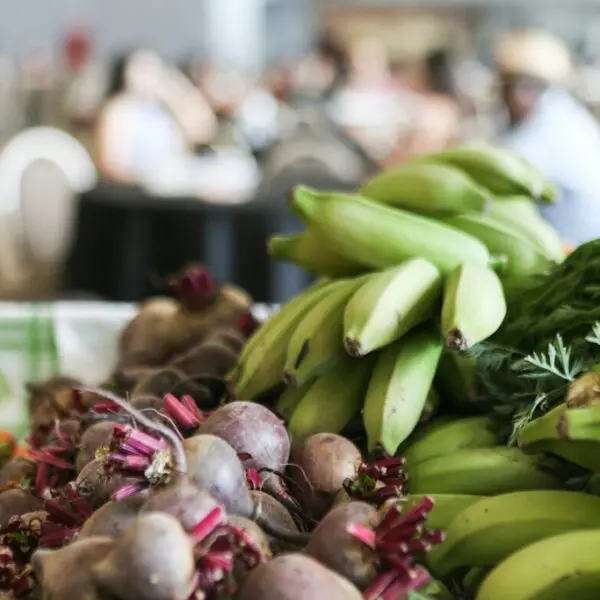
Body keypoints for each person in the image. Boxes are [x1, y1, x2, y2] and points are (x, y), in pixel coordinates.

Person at [495, 29, 600, 246]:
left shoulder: (546, 130)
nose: (503, 97)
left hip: (577, 250)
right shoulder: (566, 112)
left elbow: (499, 181)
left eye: (507, 87)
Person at [94, 49, 217, 185]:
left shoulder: (165, 107)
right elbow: (111, 165)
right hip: (139, 192)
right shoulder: (118, 110)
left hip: (173, 184)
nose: (151, 75)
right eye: (143, 69)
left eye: (155, 69)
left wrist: (179, 91)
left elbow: (203, 131)